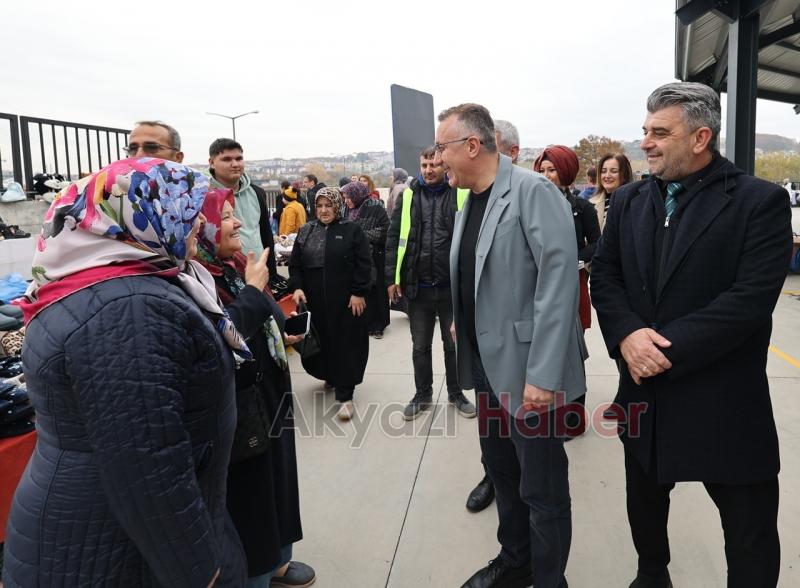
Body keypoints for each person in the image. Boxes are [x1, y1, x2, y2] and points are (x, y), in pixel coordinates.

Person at [3, 158, 248, 587]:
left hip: (109, 538)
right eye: (184, 209)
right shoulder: (128, 308)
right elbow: (147, 466)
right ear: (140, 214)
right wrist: (200, 573)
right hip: (112, 552)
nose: (198, 223)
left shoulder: (108, 283)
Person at [591, 82, 792, 588]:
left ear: (701, 138)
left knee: (749, 536)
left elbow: (748, 301)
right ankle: (651, 574)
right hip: (644, 395)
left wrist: (658, 349)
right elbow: (605, 276)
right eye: (645, 130)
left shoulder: (758, 202)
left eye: (660, 132)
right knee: (644, 506)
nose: (646, 142)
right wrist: (627, 336)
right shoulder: (629, 200)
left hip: (724, 404)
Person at [437, 103, 586, 588]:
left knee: (542, 489)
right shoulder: (470, 200)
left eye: (442, 147)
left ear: (472, 146)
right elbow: (481, 273)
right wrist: (465, 319)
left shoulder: (533, 191)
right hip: (486, 365)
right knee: (502, 471)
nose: (437, 158)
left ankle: (550, 579)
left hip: (528, 373)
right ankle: (516, 561)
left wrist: (542, 376)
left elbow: (557, 288)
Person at [195, 189, 315, 588]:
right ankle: (260, 571)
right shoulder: (198, 278)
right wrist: (251, 291)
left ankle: (278, 561)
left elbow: (260, 314)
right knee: (254, 497)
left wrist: (281, 330)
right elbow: (220, 336)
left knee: (279, 481)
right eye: (226, 216)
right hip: (243, 407)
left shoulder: (234, 265)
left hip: (270, 393)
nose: (238, 223)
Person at [384, 146, 476, 421]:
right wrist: (392, 278)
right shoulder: (409, 196)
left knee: (453, 346)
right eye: (424, 165)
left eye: (434, 164)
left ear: (445, 165)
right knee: (420, 347)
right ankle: (422, 394)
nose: (428, 170)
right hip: (418, 287)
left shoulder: (460, 193)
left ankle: (456, 393)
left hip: (450, 288)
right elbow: (394, 238)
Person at [466, 117, 523, 513]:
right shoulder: (471, 197)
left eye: (494, 147)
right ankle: (493, 474)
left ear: (512, 152)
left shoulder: (532, 195)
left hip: (518, 347)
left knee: (529, 446)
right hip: (481, 341)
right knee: (494, 434)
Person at [289, 187, 372, 421]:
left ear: (338, 206)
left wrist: (358, 292)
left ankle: (345, 396)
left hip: (346, 303)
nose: (324, 210)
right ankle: (330, 375)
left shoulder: (351, 230)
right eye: (320, 206)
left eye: (329, 205)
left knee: (346, 345)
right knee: (322, 343)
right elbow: (295, 265)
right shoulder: (306, 231)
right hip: (315, 303)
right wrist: (297, 287)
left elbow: (364, 263)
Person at [208, 138, 277, 278]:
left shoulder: (257, 193)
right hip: (225, 277)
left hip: (259, 273)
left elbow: (266, 235)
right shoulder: (205, 196)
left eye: (239, 159)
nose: (235, 164)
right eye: (227, 159)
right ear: (212, 163)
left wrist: (272, 273)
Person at [342, 180, 391, 338]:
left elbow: (386, 230)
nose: (346, 200)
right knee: (361, 289)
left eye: (348, 197)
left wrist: (359, 235)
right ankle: (363, 323)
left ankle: (378, 325)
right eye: (344, 197)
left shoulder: (376, 206)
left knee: (377, 291)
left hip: (375, 255)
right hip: (354, 256)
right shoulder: (345, 209)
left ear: (357, 195)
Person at [589, 152, 633, 230]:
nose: (607, 176)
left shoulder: (634, 203)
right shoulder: (590, 203)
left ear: (625, 175)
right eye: (603, 171)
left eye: (614, 171)